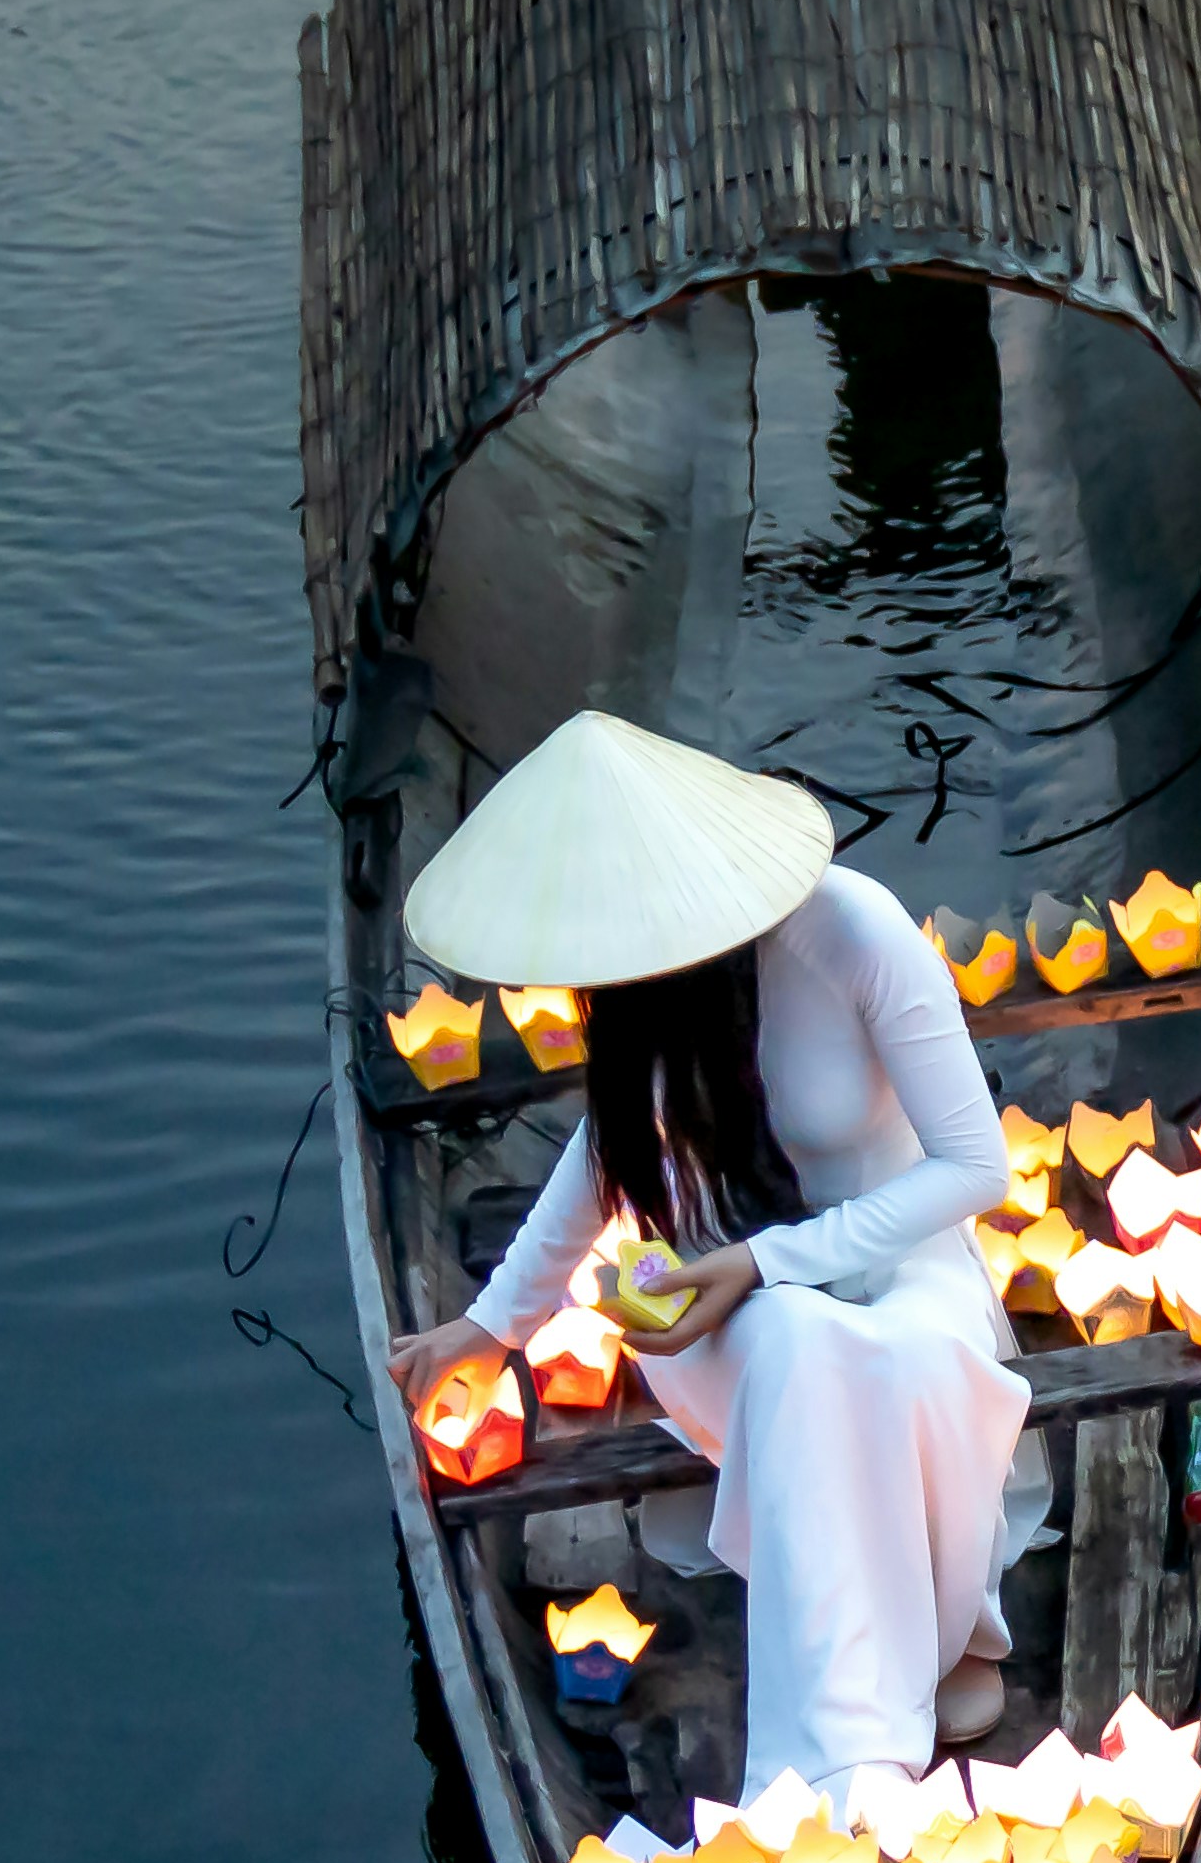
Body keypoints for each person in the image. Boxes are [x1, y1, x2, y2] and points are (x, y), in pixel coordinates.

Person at [409, 708, 1037, 1806]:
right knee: (800, 1342)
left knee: (891, 1354)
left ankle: (934, 1644)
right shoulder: (642, 985)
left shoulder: (854, 934)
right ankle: (847, 1759)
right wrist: (493, 1324)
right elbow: (604, 1153)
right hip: (713, 1299)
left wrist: (771, 1259)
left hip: (898, 1263)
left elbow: (974, 1170)